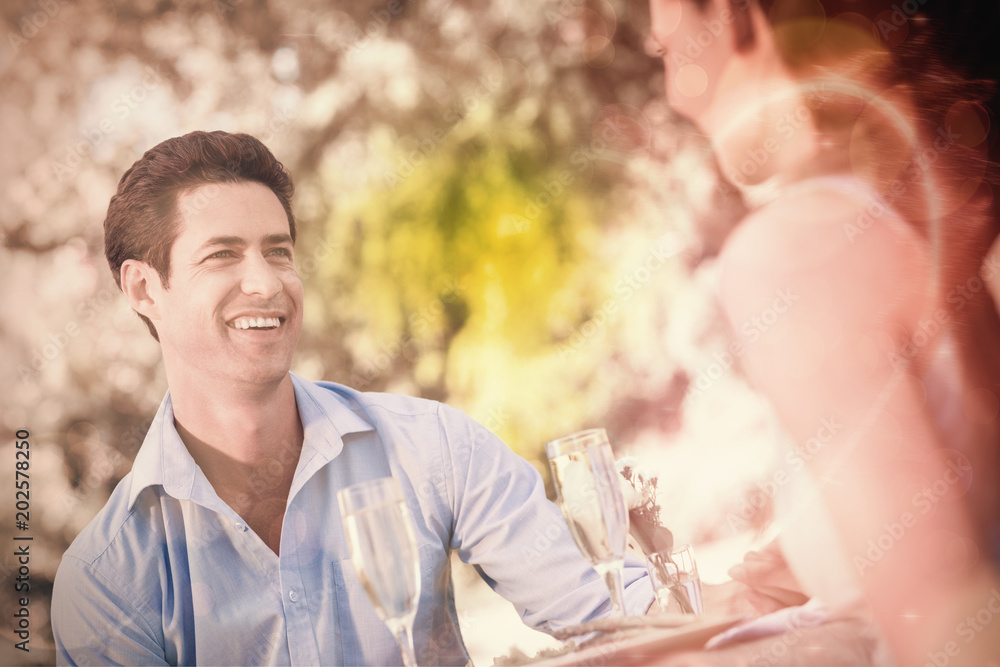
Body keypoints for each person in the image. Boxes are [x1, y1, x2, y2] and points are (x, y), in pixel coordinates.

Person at [50, 130, 655, 666]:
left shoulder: (433, 448)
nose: (266, 282)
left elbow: (616, 617)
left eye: (279, 251)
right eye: (222, 255)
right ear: (142, 287)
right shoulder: (106, 582)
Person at [646, 0, 1000, 664]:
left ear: (731, 15)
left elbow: (953, 631)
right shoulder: (935, 196)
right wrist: (827, 553)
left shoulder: (795, 248)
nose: (673, 95)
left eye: (669, 51)